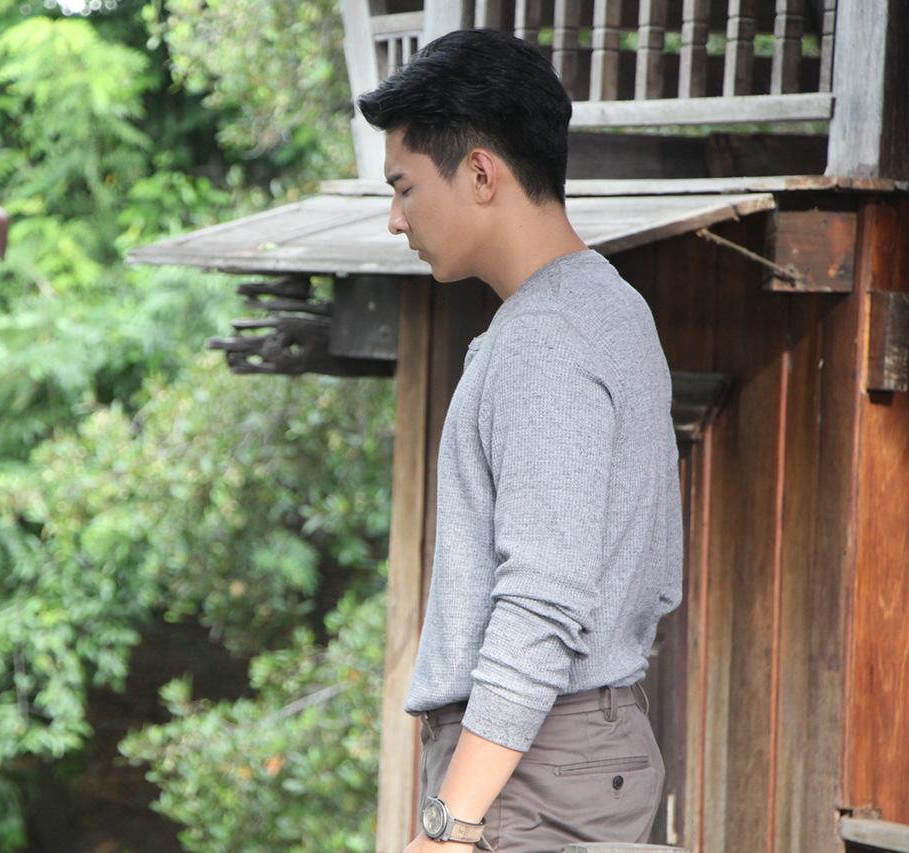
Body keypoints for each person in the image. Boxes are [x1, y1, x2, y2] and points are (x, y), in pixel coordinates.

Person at [356, 28, 684, 853]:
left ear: (479, 173)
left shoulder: (545, 337)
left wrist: (450, 824)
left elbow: (542, 599)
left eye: (404, 187)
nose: (396, 220)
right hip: (568, 755)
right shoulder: (613, 308)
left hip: (531, 774)